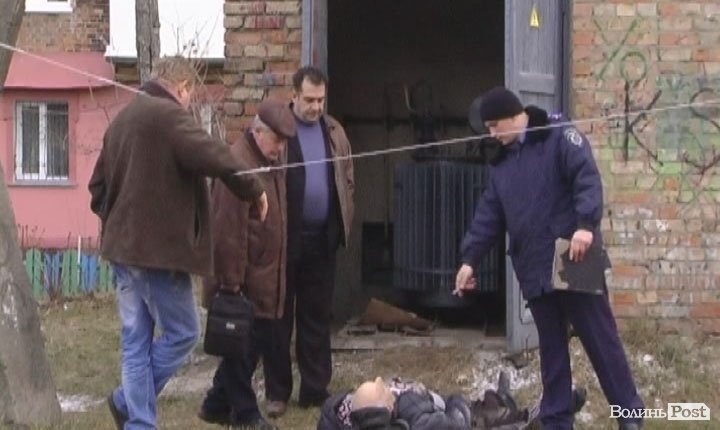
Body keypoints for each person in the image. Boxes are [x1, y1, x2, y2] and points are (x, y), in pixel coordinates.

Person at [88, 56, 267, 430]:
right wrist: (253, 189)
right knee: (184, 333)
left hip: (122, 251)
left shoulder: (122, 119)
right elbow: (217, 156)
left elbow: (96, 187)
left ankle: (137, 419)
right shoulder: (170, 116)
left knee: (135, 342)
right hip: (158, 256)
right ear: (183, 87)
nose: (188, 103)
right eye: (190, 94)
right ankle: (128, 403)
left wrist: (116, 224)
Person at [455, 87, 644, 430]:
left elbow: (586, 177)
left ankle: (629, 413)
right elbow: (488, 216)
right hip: (533, 264)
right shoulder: (501, 165)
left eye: (495, 126)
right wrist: (470, 260)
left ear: (514, 115)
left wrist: (585, 225)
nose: (491, 134)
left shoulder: (558, 135)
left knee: (600, 340)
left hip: (573, 254)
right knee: (552, 350)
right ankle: (557, 419)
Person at [197, 99, 296, 429]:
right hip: (242, 280)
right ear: (258, 132)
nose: (281, 148)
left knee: (248, 348)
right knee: (241, 350)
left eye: (285, 142)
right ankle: (246, 414)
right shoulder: (238, 166)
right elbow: (227, 232)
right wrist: (230, 286)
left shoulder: (270, 162)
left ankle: (215, 404)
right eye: (277, 140)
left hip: (266, 276)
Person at [268, 66, 355, 416]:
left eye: (321, 100)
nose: (316, 107)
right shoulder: (278, 129)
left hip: (321, 240)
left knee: (316, 316)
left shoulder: (334, 131)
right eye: (309, 100)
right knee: (278, 318)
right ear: (294, 96)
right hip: (283, 240)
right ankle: (277, 392)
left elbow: (347, 177)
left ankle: (315, 389)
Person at [316, 373, 587, 430]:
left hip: (442, 408)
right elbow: (454, 423)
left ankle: (506, 401)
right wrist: (457, 404)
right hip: (454, 417)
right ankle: (537, 417)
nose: (391, 388)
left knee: (488, 408)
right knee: (488, 419)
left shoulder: (334, 413)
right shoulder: (413, 415)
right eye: (388, 391)